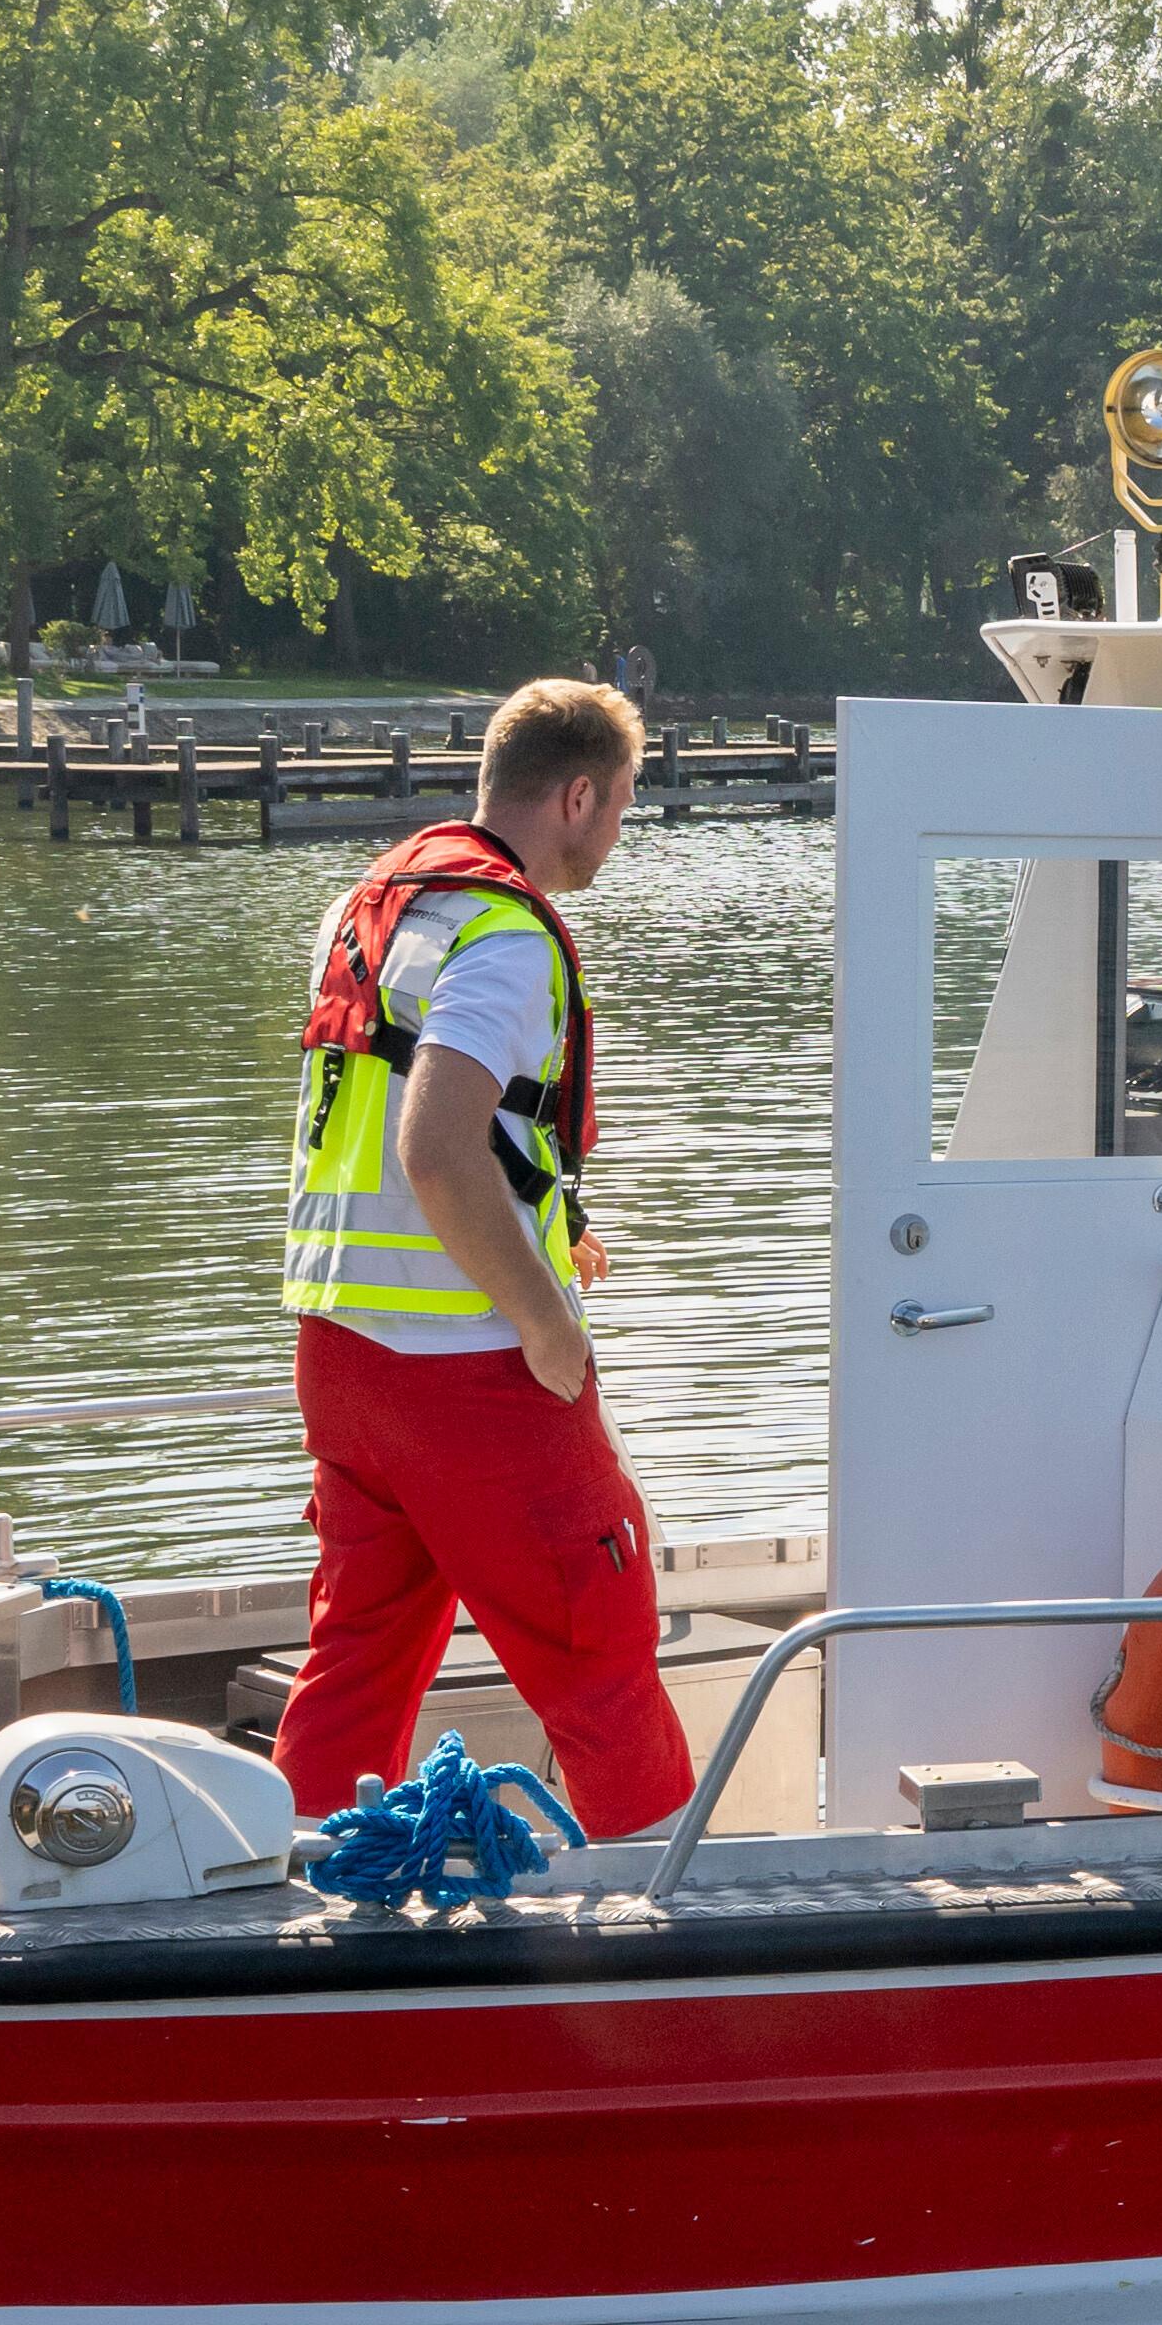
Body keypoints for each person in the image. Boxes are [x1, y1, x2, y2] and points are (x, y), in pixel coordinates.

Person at [274, 678, 699, 1834]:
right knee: (599, 1646)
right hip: (465, 1373)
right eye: (618, 805)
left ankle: (291, 1905)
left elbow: (391, 1119)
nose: (618, 830)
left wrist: (554, 1232)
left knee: (357, 1656)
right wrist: (548, 1321)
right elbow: (438, 1149)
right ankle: (669, 1930)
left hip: (340, 1355)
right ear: (575, 794)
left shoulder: (376, 900)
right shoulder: (506, 935)